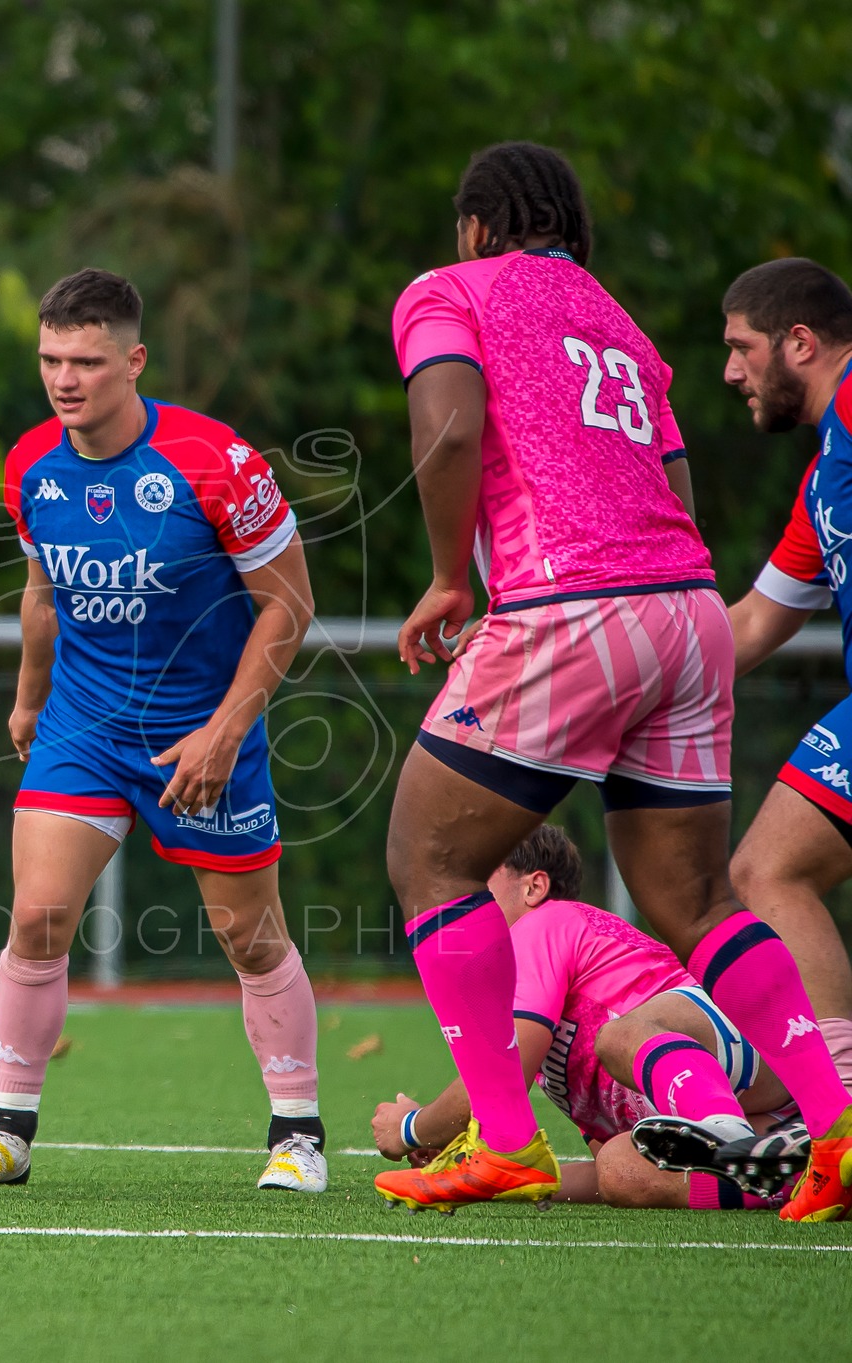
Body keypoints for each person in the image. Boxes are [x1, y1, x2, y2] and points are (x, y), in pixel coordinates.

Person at [376, 140, 852, 1221]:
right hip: (687, 607)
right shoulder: (615, 320)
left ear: (475, 226)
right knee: (695, 900)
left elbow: (448, 426)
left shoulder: (448, 288)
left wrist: (449, 578)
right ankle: (835, 1127)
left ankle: (507, 1143)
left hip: (568, 599)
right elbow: (672, 479)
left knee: (429, 859)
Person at [0, 267, 323, 1193]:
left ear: (135, 360)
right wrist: (29, 700)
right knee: (37, 915)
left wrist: (225, 730)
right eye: (50, 360)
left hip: (202, 731)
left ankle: (298, 1133)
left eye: (87, 362)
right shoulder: (31, 462)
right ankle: (7, 1128)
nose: (65, 380)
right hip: (84, 723)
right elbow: (41, 594)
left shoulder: (215, 461)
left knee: (250, 937)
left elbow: (290, 606)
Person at [372, 827, 791, 1212]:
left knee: (621, 1036)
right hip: (754, 1101)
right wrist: (473, 1175)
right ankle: (790, 1172)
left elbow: (499, 1077)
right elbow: (600, 1158)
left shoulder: (541, 924)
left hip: (754, 1045)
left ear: (534, 887)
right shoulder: (542, 1025)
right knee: (620, 1169)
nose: (463, 898)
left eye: (480, 877)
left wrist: (410, 1128)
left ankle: (726, 1132)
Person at [714, 258, 852, 1103]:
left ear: (799, 342)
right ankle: (839, 1109)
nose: (732, 371)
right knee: (768, 869)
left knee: (768, 870)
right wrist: (619, 675)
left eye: (742, 347)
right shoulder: (825, 472)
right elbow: (754, 624)